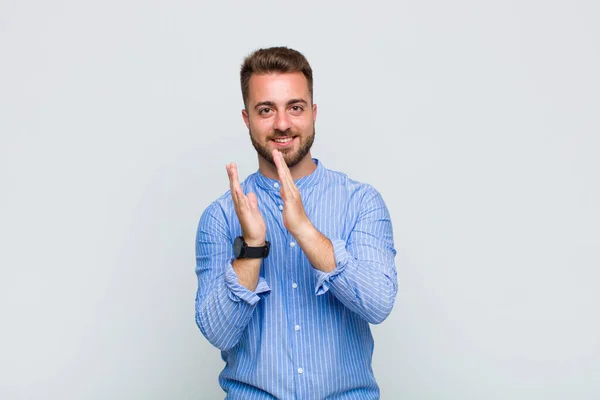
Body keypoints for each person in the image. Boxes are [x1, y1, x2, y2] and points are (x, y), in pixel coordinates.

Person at [195, 46, 398, 399]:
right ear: (247, 119)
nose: (283, 123)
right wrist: (252, 248)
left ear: (313, 113)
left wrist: (304, 230)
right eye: (266, 110)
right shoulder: (220, 216)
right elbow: (218, 333)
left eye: (295, 107)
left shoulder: (361, 202)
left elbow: (378, 304)